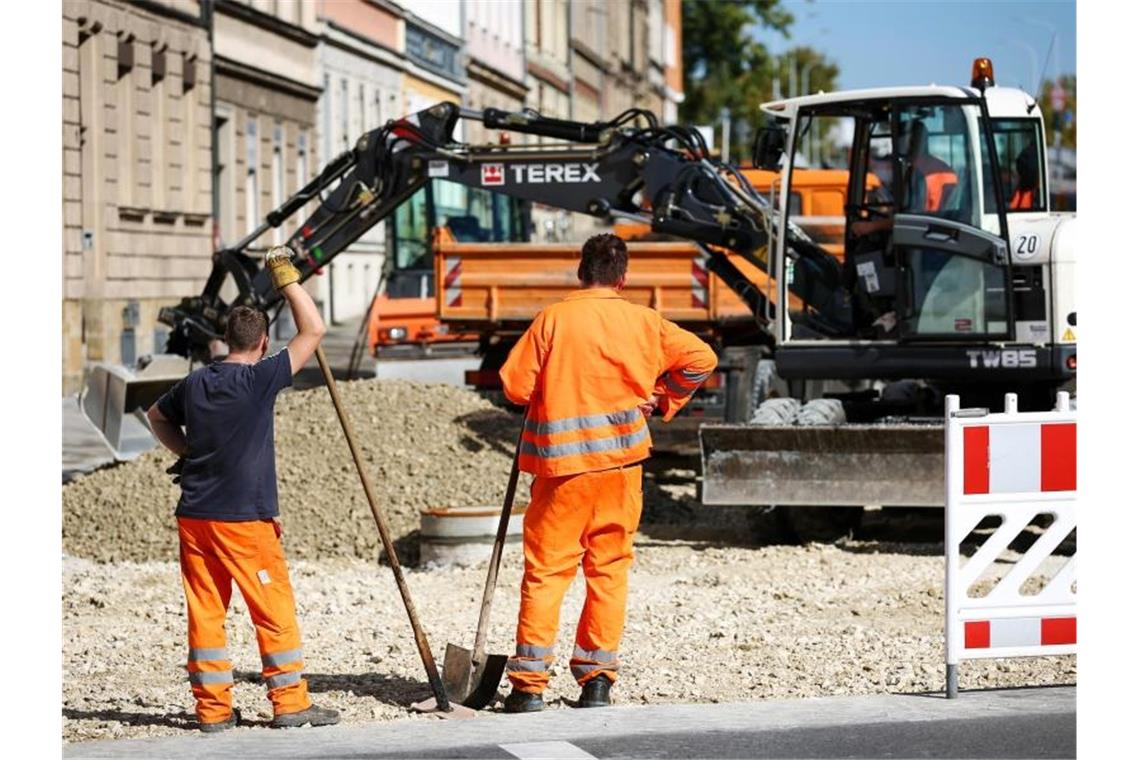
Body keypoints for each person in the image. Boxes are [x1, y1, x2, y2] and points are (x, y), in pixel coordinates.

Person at [497, 233, 717, 712]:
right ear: (623, 277)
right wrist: (663, 397)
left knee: (547, 575)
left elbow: (514, 386)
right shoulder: (644, 321)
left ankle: (528, 687)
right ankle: (597, 681)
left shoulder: (553, 319)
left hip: (563, 472)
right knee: (609, 573)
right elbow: (702, 359)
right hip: (621, 469)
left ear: (581, 271)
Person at [147, 246, 340, 732]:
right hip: (244, 522)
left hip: (195, 518)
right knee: (271, 610)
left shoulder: (195, 384)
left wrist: (186, 453)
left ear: (224, 339)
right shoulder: (259, 380)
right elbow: (313, 331)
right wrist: (287, 278)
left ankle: (213, 712)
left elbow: (155, 416)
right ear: (263, 342)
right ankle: (291, 704)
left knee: (206, 611)